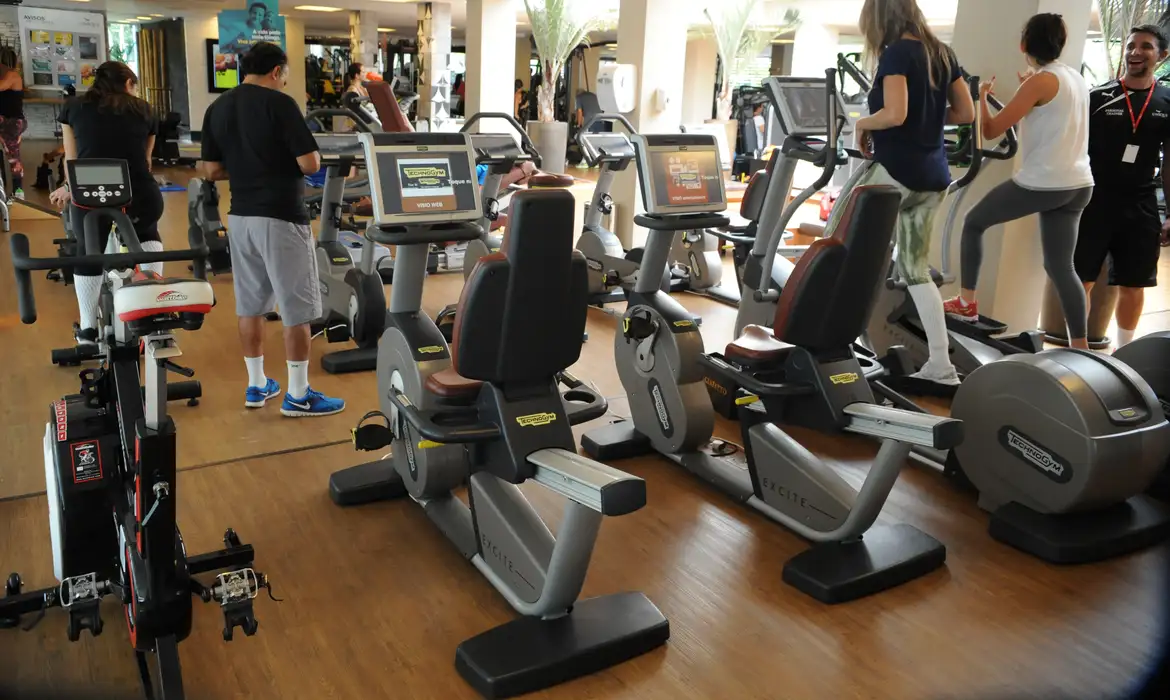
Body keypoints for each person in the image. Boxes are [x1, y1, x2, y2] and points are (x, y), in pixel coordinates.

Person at [200, 42, 345, 418]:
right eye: (285, 75)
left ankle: (257, 384)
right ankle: (298, 394)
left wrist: (248, 169)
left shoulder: (218, 107)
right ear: (277, 71)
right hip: (281, 218)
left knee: (251, 306)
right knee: (297, 309)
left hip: (241, 219)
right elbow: (310, 163)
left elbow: (211, 170)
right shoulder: (280, 104)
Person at [838, 0, 975, 386]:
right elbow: (966, 113)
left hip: (893, 175)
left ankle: (827, 346)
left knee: (836, 247)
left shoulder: (897, 52)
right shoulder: (942, 53)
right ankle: (941, 366)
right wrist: (926, 116)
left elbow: (894, 114)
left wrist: (861, 123)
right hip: (933, 179)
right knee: (915, 270)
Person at [943, 13, 1094, 352]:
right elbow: (1052, 111)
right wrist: (1029, 86)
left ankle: (966, 303)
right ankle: (1082, 348)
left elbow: (991, 130)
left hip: (1045, 183)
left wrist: (981, 96)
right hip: (1079, 184)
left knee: (974, 222)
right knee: (1060, 266)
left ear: (1024, 44)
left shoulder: (1039, 83)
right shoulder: (1074, 77)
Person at [48, 62, 162, 348]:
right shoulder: (145, 110)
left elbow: (72, 160)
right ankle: (152, 319)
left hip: (90, 190)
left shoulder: (73, 108)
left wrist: (68, 188)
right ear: (128, 83)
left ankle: (88, 330)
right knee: (147, 235)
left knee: (89, 251)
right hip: (138, 191)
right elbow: (146, 161)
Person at [1074, 25, 1170, 348]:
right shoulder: (1097, 97)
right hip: (1094, 199)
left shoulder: (1166, 101)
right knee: (1081, 280)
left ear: (1162, 55)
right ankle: (1078, 350)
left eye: (1146, 46)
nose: (1135, 52)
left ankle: (1124, 353)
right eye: (1130, 46)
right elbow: (1074, 149)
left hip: (1140, 203)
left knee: (1134, 284)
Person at [0, 57, 26, 198]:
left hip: (13, 123)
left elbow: (2, 86)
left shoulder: (12, 75)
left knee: (13, 157)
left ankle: (18, 191)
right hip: (4, 121)